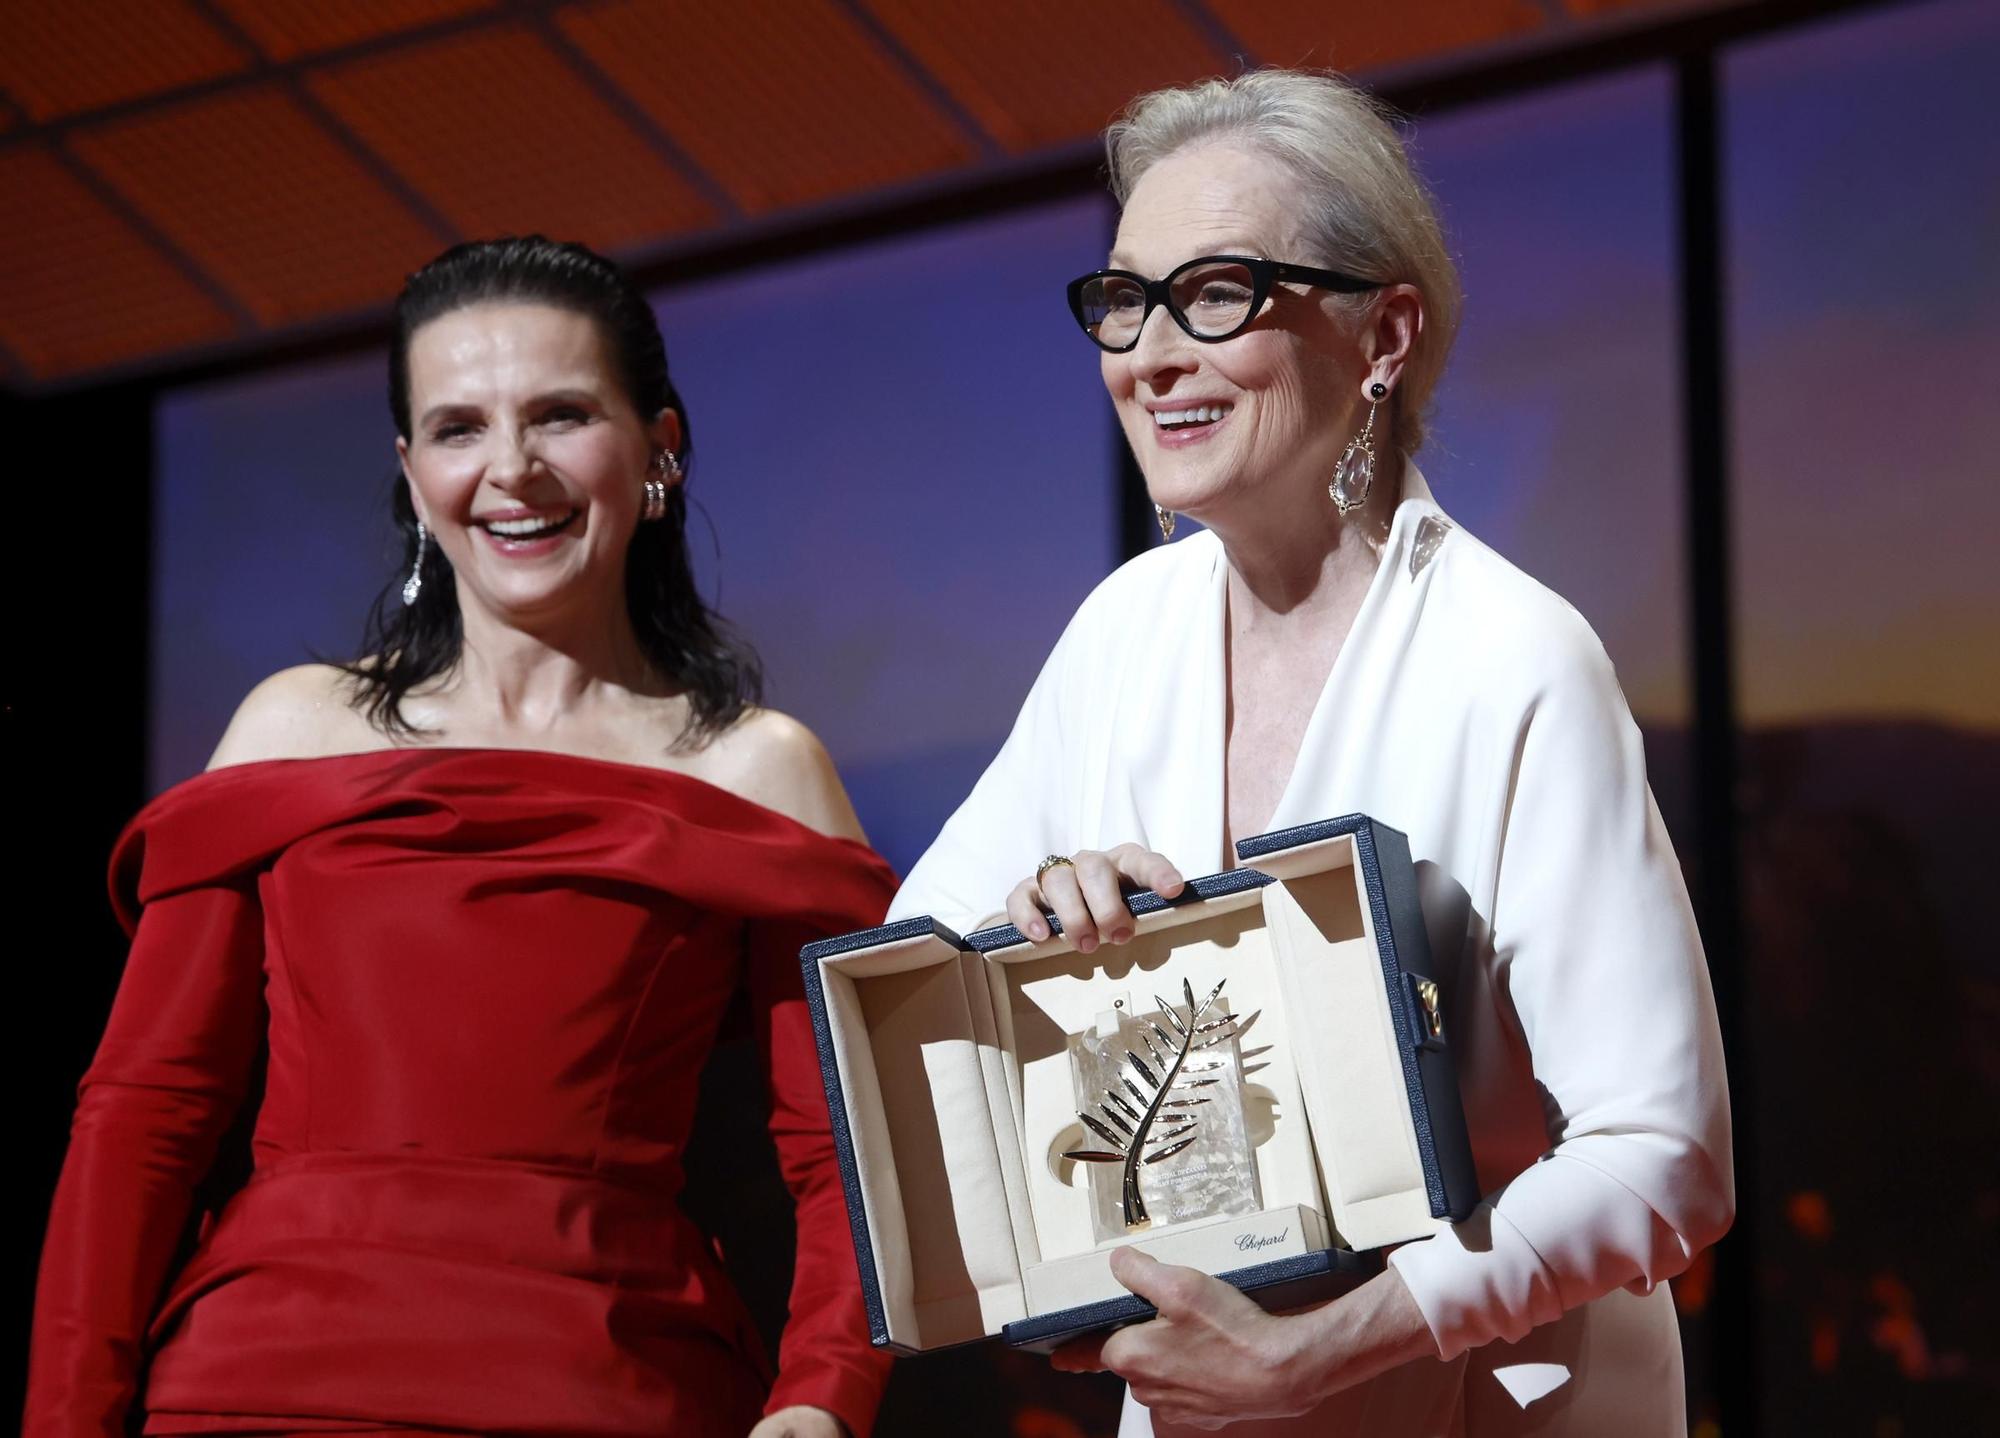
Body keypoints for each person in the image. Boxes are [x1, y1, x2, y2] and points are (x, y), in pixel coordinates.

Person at [889, 71, 1732, 1435]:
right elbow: (910, 980)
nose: (1149, 354)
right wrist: (1023, 927)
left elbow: (1664, 1160)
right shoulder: (1123, 630)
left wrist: (1326, 1349)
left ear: (1385, 331)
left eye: (1215, 293)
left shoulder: (1515, 657)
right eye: (1123, 302)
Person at [27, 237, 892, 1438]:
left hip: (607, 1384)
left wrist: (824, 1394)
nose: (511, 471)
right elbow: (143, 1118)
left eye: (560, 415)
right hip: (263, 1386)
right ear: (409, 471)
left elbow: (846, 1147)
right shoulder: (292, 728)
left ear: (660, 445)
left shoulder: (756, 766)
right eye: (458, 428)